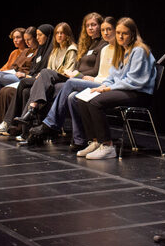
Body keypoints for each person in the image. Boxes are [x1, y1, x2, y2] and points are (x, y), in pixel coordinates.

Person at [27, 16, 117, 148]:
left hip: (99, 83)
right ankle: (79, 140)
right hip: (91, 80)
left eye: (108, 29)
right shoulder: (102, 48)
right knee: (70, 97)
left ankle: (49, 124)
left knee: (61, 81)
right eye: (103, 29)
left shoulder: (106, 47)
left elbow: (101, 73)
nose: (105, 32)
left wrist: (81, 76)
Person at [75, 17, 156, 160]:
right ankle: (95, 141)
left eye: (124, 33)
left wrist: (108, 89)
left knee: (95, 102)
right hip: (124, 90)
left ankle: (107, 146)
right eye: (118, 32)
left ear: (132, 34)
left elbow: (134, 80)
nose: (120, 36)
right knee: (83, 99)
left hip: (138, 93)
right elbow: (112, 76)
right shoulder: (121, 51)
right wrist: (103, 85)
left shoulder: (139, 51)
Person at [14, 12, 107, 128]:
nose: (90, 28)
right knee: (29, 90)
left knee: (43, 75)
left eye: (93, 25)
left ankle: (40, 120)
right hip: (72, 77)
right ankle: (28, 126)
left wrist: (77, 74)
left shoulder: (102, 46)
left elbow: (95, 71)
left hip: (79, 78)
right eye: (87, 25)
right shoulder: (87, 44)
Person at [3, 22, 78, 141]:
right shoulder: (56, 49)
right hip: (52, 77)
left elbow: (68, 70)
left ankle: (25, 113)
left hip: (65, 77)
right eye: (57, 33)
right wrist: (44, 75)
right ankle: (26, 131)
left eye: (62, 33)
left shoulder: (71, 49)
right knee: (26, 91)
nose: (59, 36)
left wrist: (46, 74)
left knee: (41, 74)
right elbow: (49, 67)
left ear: (67, 35)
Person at [0, 24, 55, 136]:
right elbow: (33, 69)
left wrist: (31, 76)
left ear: (48, 36)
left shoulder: (51, 50)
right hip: (34, 78)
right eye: (37, 35)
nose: (38, 38)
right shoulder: (41, 49)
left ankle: (8, 122)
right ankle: (24, 131)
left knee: (22, 82)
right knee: (25, 91)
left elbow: (47, 70)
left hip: (44, 80)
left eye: (40, 35)